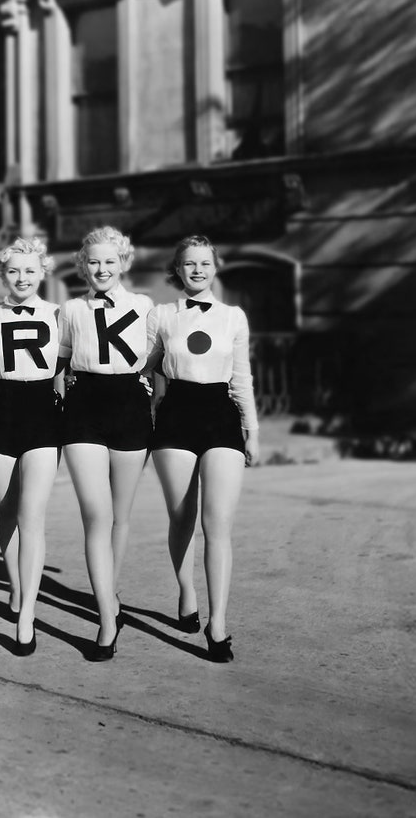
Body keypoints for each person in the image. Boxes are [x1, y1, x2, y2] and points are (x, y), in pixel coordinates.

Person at [145, 235, 259, 663]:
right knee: (182, 518)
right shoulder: (162, 315)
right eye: (189, 263)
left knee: (218, 525)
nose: (197, 270)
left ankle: (218, 624)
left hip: (220, 417)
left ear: (215, 267)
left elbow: (241, 377)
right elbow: (144, 364)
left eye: (204, 263)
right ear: (178, 269)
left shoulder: (233, 317)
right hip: (175, 416)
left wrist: (252, 430)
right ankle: (186, 591)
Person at [58, 226, 153, 661]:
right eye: (93, 261)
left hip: (129, 406)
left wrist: (150, 384)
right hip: (84, 409)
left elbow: (159, 355)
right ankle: (106, 620)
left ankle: (110, 593)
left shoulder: (144, 306)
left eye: (109, 261)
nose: (101, 269)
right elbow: (58, 364)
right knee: (97, 515)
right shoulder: (71, 309)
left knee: (120, 516)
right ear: (83, 265)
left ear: (124, 263)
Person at [0, 237, 62, 657]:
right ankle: (16, 585)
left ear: (43, 272)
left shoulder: (59, 314)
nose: (22, 277)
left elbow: (73, 362)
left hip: (43, 411)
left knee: (32, 516)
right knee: (7, 511)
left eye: (30, 270)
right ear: (3, 274)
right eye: (14, 270)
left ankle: (27, 614)